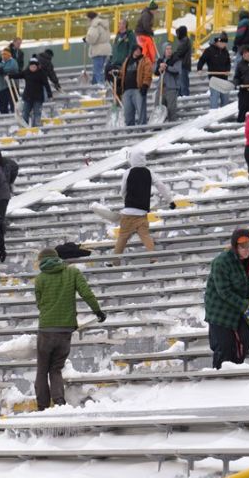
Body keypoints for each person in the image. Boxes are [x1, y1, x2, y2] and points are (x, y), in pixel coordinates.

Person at [33, 247, 106, 410]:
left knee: (42, 369)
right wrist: (98, 311)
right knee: (56, 369)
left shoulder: (40, 279)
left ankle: (42, 406)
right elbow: (86, 293)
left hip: (46, 329)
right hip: (65, 329)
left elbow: (39, 303)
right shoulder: (72, 273)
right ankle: (59, 402)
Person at [204, 229, 249, 369]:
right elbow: (224, 292)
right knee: (224, 346)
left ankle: (237, 369)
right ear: (235, 247)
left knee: (245, 339)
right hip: (220, 309)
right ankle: (220, 375)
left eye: (248, 245)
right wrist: (246, 305)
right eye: (242, 246)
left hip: (240, 307)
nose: (246, 250)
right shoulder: (221, 262)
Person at [116, 150, 175, 257]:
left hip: (128, 212)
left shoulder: (128, 172)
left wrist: (126, 199)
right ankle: (153, 258)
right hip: (142, 213)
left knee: (123, 236)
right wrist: (170, 201)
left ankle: (114, 261)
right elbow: (161, 186)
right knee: (145, 236)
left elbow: (123, 190)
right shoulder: (149, 172)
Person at [116, 44, 153, 127]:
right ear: (133, 50)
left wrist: (145, 85)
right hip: (126, 91)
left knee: (141, 111)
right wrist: (119, 84)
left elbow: (148, 73)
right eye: (136, 49)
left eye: (139, 50)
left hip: (138, 89)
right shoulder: (127, 60)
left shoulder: (145, 60)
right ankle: (130, 130)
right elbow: (122, 73)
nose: (138, 51)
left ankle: (142, 129)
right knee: (128, 112)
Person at [196, 32, 234, 109]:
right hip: (214, 79)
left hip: (224, 79)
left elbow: (228, 63)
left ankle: (224, 115)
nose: (225, 45)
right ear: (218, 42)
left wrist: (227, 70)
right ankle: (213, 115)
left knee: (225, 99)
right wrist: (199, 69)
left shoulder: (225, 52)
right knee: (214, 98)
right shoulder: (209, 50)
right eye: (223, 43)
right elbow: (201, 60)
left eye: (225, 43)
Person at [12, 58, 50, 130]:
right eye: (31, 66)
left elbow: (46, 84)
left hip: (38, 98)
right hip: (27, 97)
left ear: (37, 67)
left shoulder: (41, 74)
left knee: (37, 113)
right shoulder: (26, 72)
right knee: (25, 113)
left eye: (34, 66)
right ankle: (24, 127)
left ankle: (36, 127)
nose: (32, 68)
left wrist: (49, 94)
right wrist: (10, 76)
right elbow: (18, 75)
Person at [154, 42, 182, 122]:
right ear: (164, 50)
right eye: (167, 49)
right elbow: (156, 72)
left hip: (171, 88)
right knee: (158, 107)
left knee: (171, 109)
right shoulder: (160, 60)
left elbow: (177, 70)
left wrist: (166, 67)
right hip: (161, 88)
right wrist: (159, 69)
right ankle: (157, 127)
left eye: (170, 49)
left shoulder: (176, 59)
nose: (169, 51)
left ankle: (172, 126)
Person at [84, 11, 112, 85]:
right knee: (100, 68)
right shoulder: (103, 24)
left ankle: (100, 85)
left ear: (90, 18)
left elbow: (92, 38)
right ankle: (95, 83)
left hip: (98, 50)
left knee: (97, 70)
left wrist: (86, 39)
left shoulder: (94, 26)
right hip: (106, 49)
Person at [0, 49, 19, 115]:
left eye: (5, 54)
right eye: (2, 55)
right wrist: (0, 70)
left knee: (13, 103)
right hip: (2, 87)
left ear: (9, 55)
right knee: (2, 105)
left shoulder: (13, 62)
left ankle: (14, 115)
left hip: (11, 86)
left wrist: (2, 70)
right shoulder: (0, 63)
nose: (3, 56)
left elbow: (12, 69)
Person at [172, 25, 193, 96]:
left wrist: (172, 58)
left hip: (183, 65)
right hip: (182, 65)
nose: (177, 35)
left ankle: (185, 101)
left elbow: (179, 52)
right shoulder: (183, 40)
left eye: (178, 33)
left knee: (183, 85)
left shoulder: (184, 40)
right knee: (181, 85)